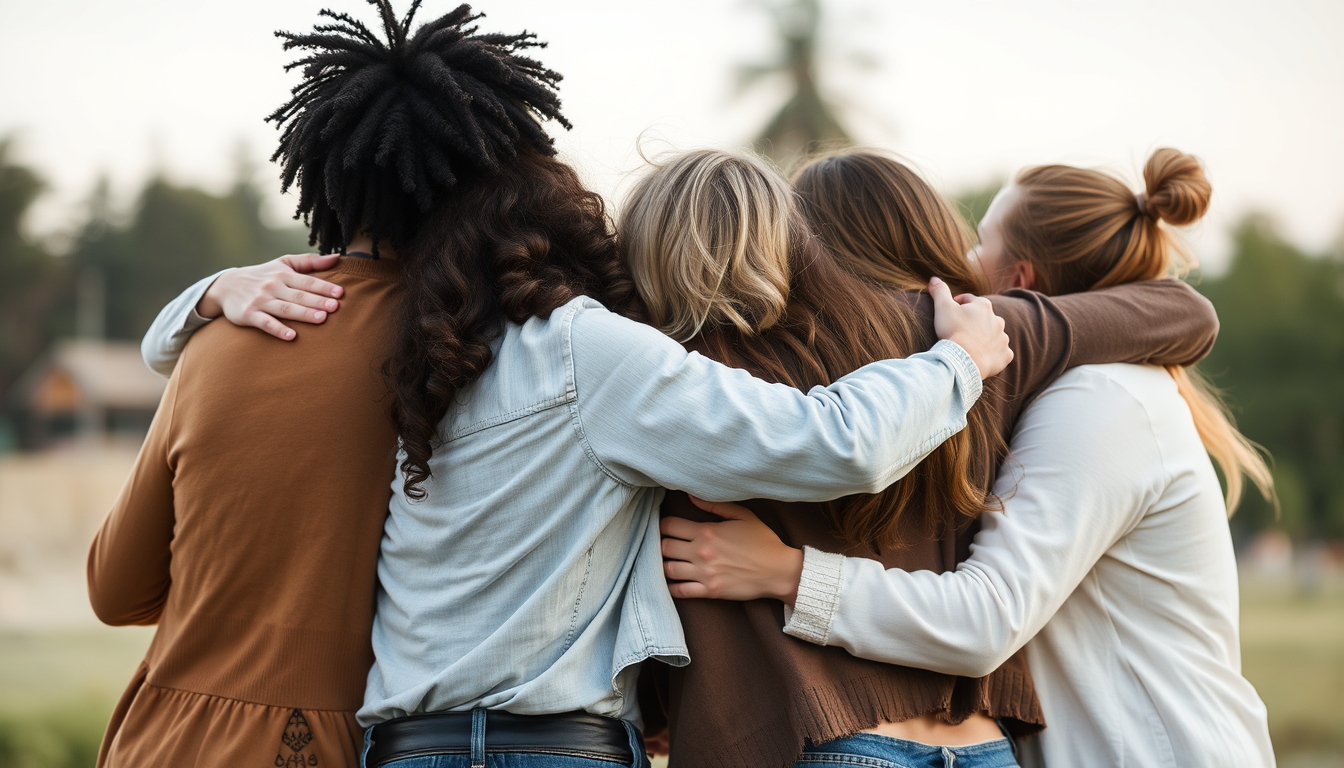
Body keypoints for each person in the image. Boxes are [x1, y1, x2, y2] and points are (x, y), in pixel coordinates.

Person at [132, 5, 1016, 768]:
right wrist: (959, 362)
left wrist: (202, 299)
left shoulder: (424, 350)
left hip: (404, 747)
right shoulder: (585, 351)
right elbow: (830, 444)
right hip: (549, 746)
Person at [662, 149, 1275, 768]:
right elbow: (1185, 309)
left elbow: (989, 615)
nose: (965, 263)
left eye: (981, 241)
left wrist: (788, 573)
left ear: (1021, 280)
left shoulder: (1096, 400)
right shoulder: (984, 375)